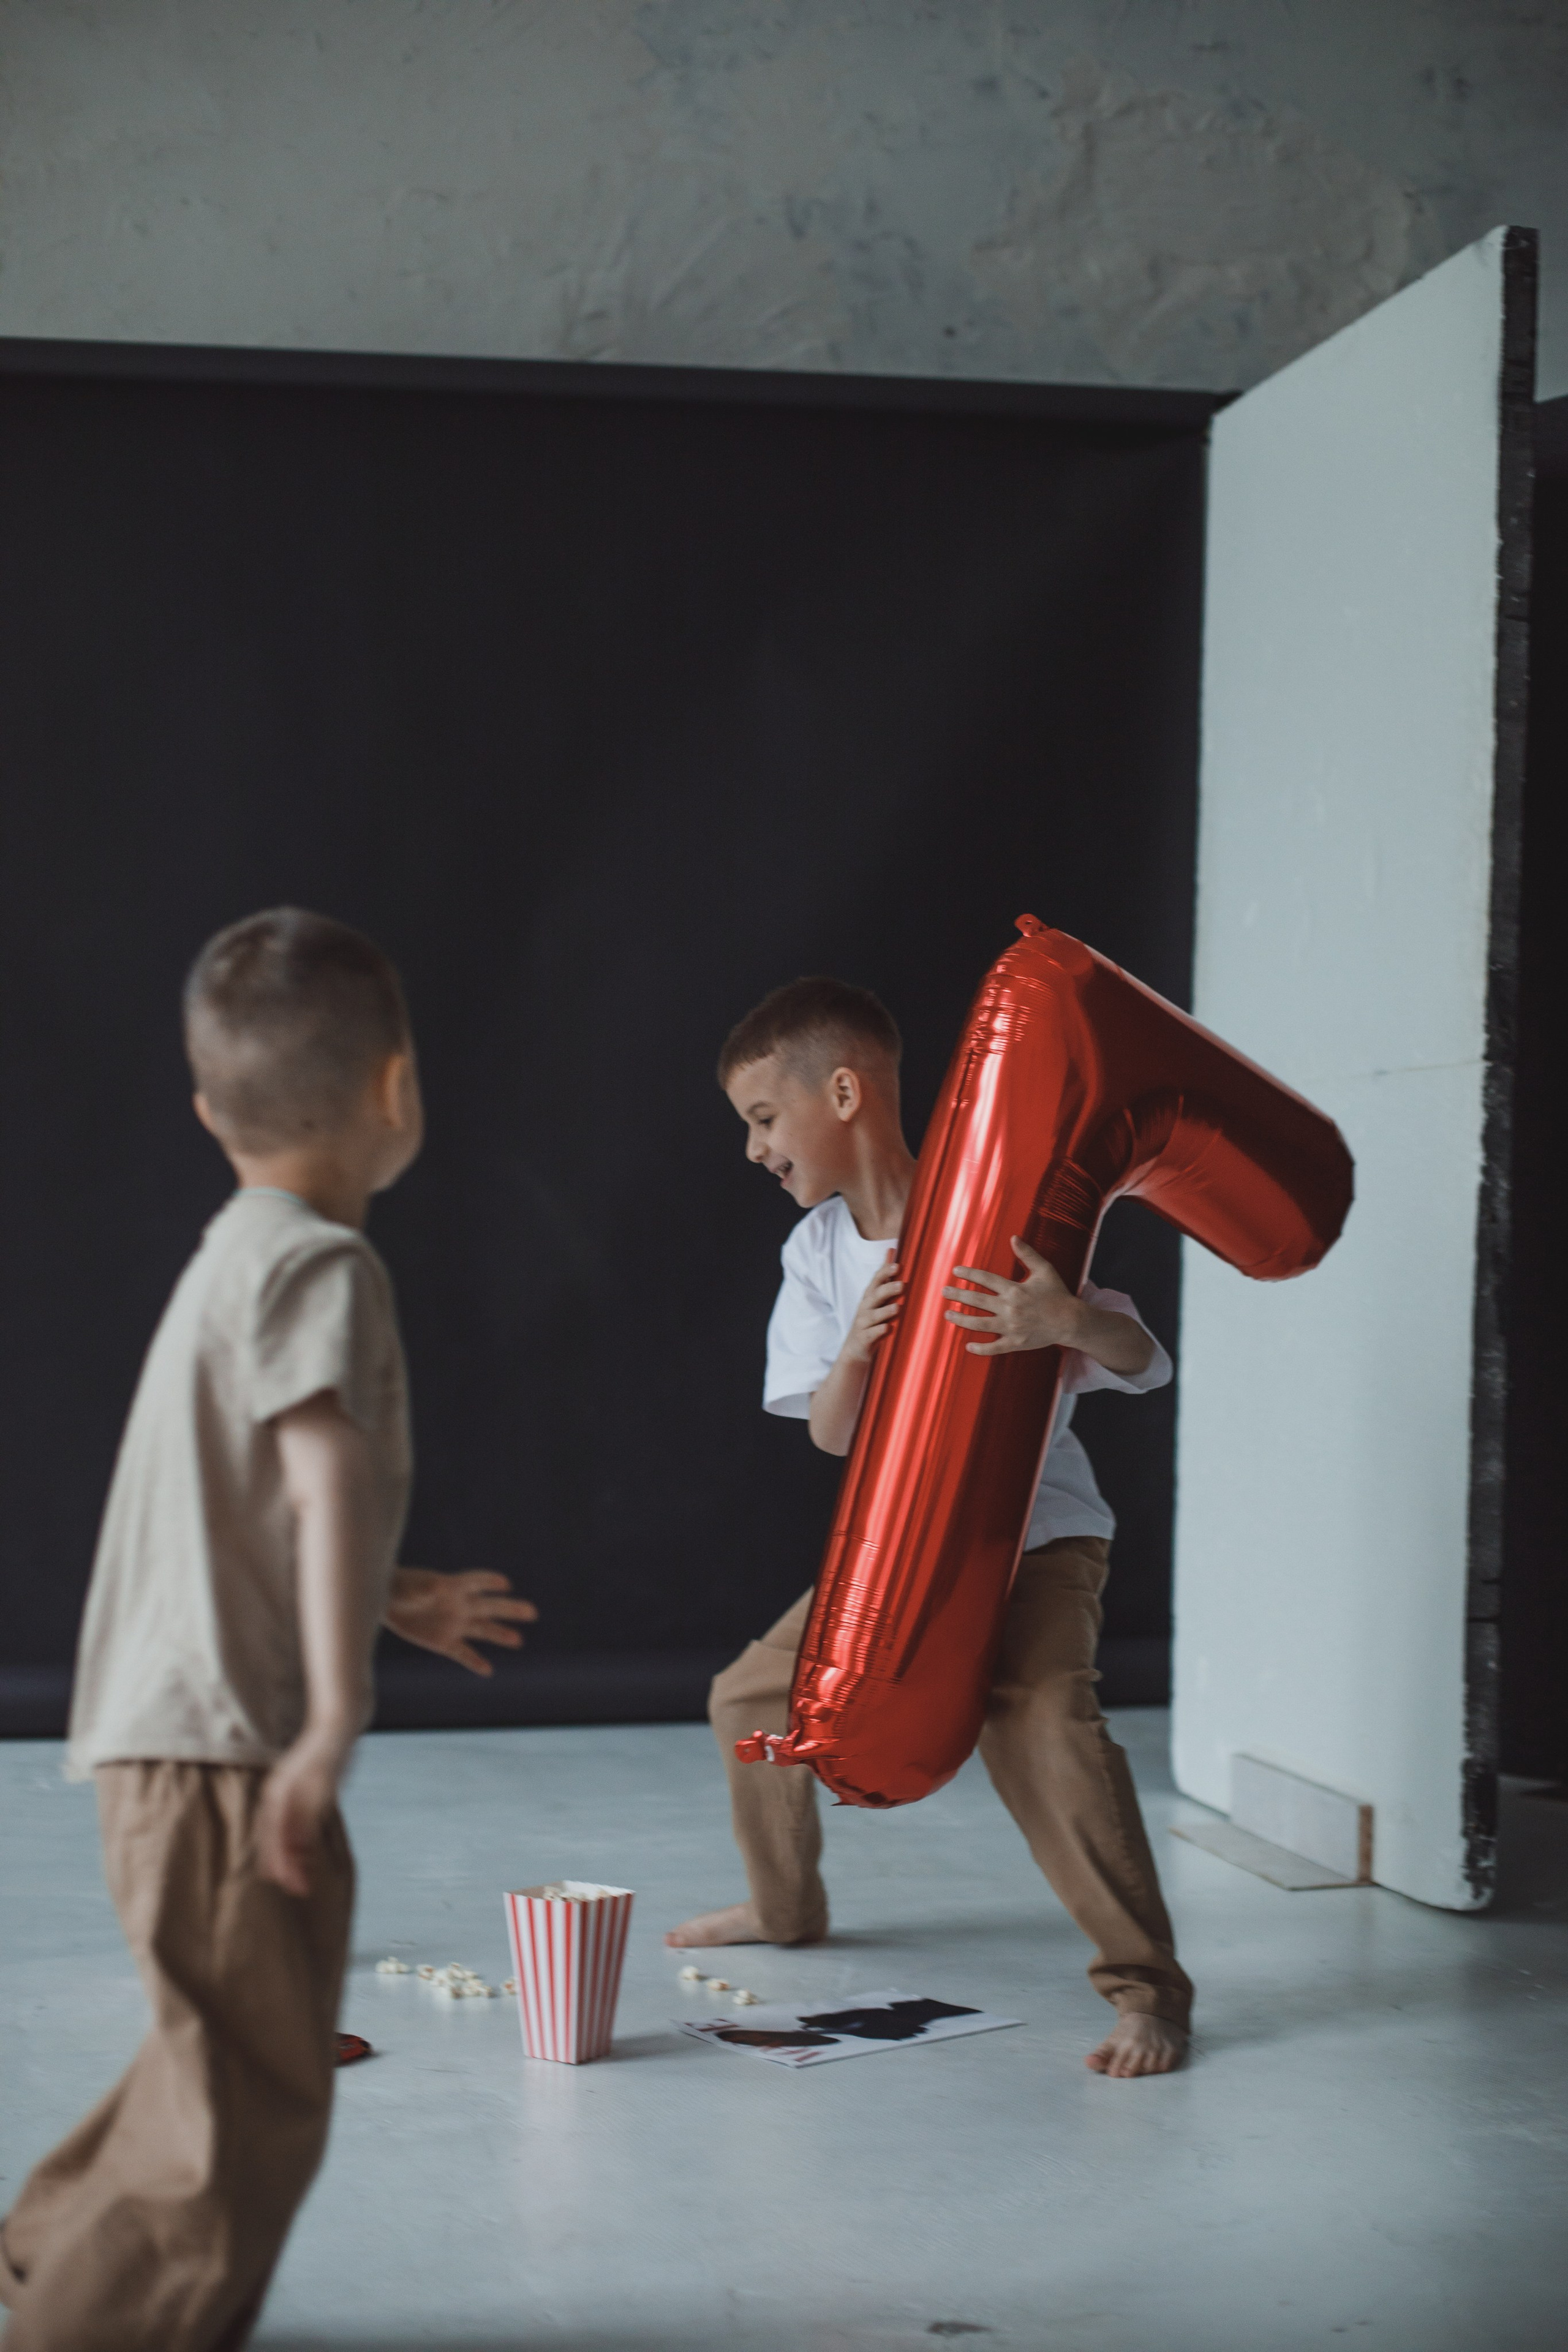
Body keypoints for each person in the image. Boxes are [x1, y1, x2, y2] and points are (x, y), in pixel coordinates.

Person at [0, 908, 535, 2352]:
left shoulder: (235, 1249)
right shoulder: (323, 1266)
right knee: (243, 2121)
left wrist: (397, 1594)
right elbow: (315, 1467)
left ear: (206, 1109)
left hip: (170, 1749)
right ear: (396, 1089)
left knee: (223, 2068)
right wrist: (334, 1721)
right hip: (232, 1754)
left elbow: (253, 1507)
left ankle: (40, 2277)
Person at [666, 976, 1192, 2080]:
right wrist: (860, 1345)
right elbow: (831, 1435)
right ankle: (785, 1905)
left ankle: (1147, 1989)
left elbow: (1148, 1365)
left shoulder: (997, 1211)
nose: (756, 1149)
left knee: (1043, 1717)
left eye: (765, 1119)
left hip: (1042, 1537)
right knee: (753, 1697)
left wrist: (1064, 1321)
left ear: (845, 1092)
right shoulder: (817, 1254)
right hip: (905, 1553)